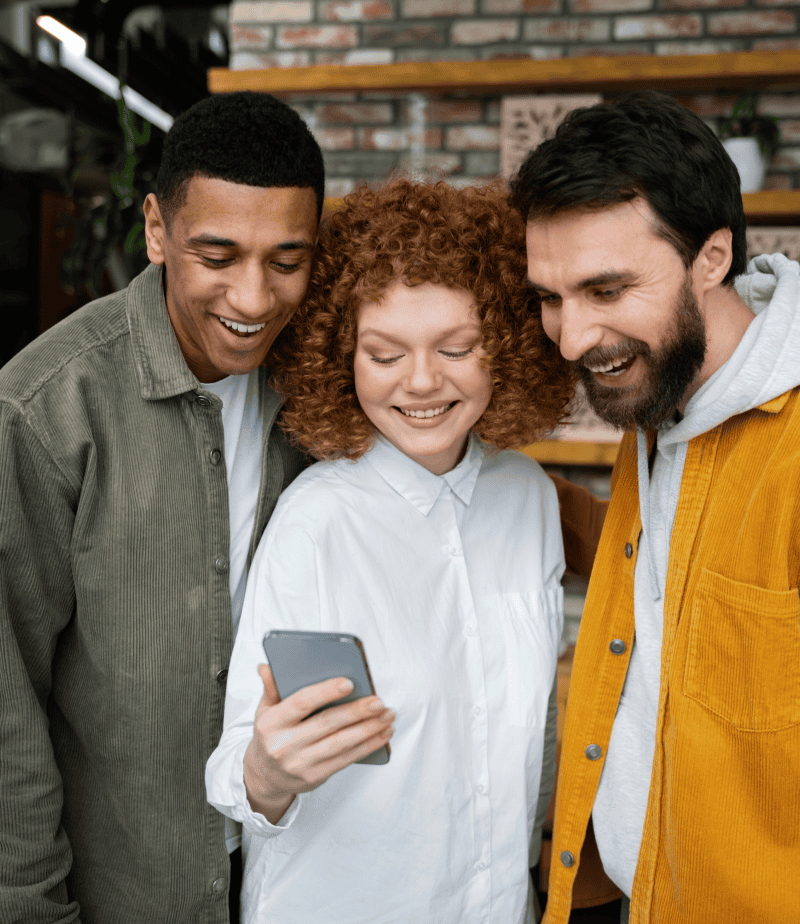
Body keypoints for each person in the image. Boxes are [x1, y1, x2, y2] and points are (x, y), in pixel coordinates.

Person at [205, 177, 576, 923]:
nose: (421, 382)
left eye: (457, 347)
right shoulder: (317, 523)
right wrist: (269, 773)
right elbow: (239, 772)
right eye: (383, 354)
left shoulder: (528, 498)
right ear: (341, 358)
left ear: (502, 345)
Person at [0, 91, 324, 924]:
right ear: (155, 230)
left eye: (286, 260)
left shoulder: (328, 389)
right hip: (127, 887)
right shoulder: (46, 407)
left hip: (298, 874)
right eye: (218, 255)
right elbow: (7, 701)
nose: (254, 300)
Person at [509, 91, 800, 924]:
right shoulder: (662, 394)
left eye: (605, 288)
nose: (569, 338)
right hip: (608, 890)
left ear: (712, 258)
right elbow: (683, 583)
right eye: (552, 296)